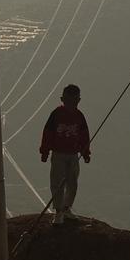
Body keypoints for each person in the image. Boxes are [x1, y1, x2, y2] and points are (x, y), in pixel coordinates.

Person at [40, 83, 90, 225]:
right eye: (68, 101)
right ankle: (58, 212)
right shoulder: (56, 114)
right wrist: (45, 151)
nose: (70, 104)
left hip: (73, 155)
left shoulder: (80, 116)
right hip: (58, 155)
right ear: (62, 99)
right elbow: (48, 134)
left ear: (78, 101)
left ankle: (67, 208)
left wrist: (85, 153)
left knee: (72, 182)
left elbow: (84, 136)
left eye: (73, 101)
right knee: (57, 183)